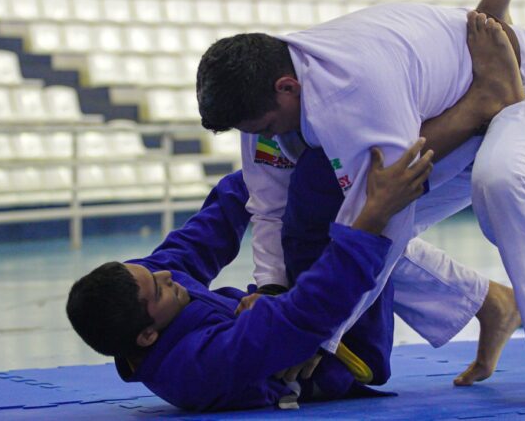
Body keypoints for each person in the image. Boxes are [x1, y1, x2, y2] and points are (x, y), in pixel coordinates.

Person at [196, 0, 525, 407]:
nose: (265, 137)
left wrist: (316, 334)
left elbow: (379, 225)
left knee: (499, 181)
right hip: (449, 117)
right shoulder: (263, 101)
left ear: (288, 87)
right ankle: (488, 302)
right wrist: (273, 290)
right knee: (355, 228)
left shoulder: (351, 91)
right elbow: (271, 207)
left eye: (268, 125)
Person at [67, 141, 434, 412]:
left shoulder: (148, 288)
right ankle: (470, 114)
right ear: (148, 336)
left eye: (151, 271)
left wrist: (264, 164)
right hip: (345, 350)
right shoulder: (196, 369)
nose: (164, 274)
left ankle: (486, 300)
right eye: (158, 288)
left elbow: (209, 229)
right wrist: (372, 219)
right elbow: (306, 314)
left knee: (300, 165)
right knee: (322, 180)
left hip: (292, 317)